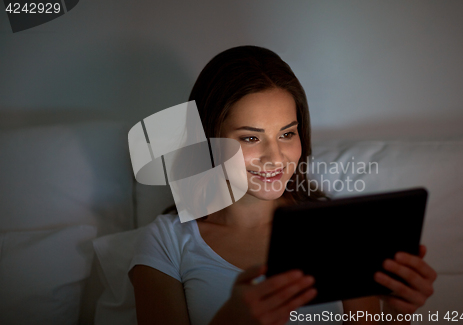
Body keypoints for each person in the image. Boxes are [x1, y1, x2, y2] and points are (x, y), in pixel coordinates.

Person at [128, 45, 437, 325]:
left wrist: (397, 314)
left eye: (287, 134)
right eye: (250, 137)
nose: (275, 157)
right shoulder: (166, 241)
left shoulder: (336, 229)